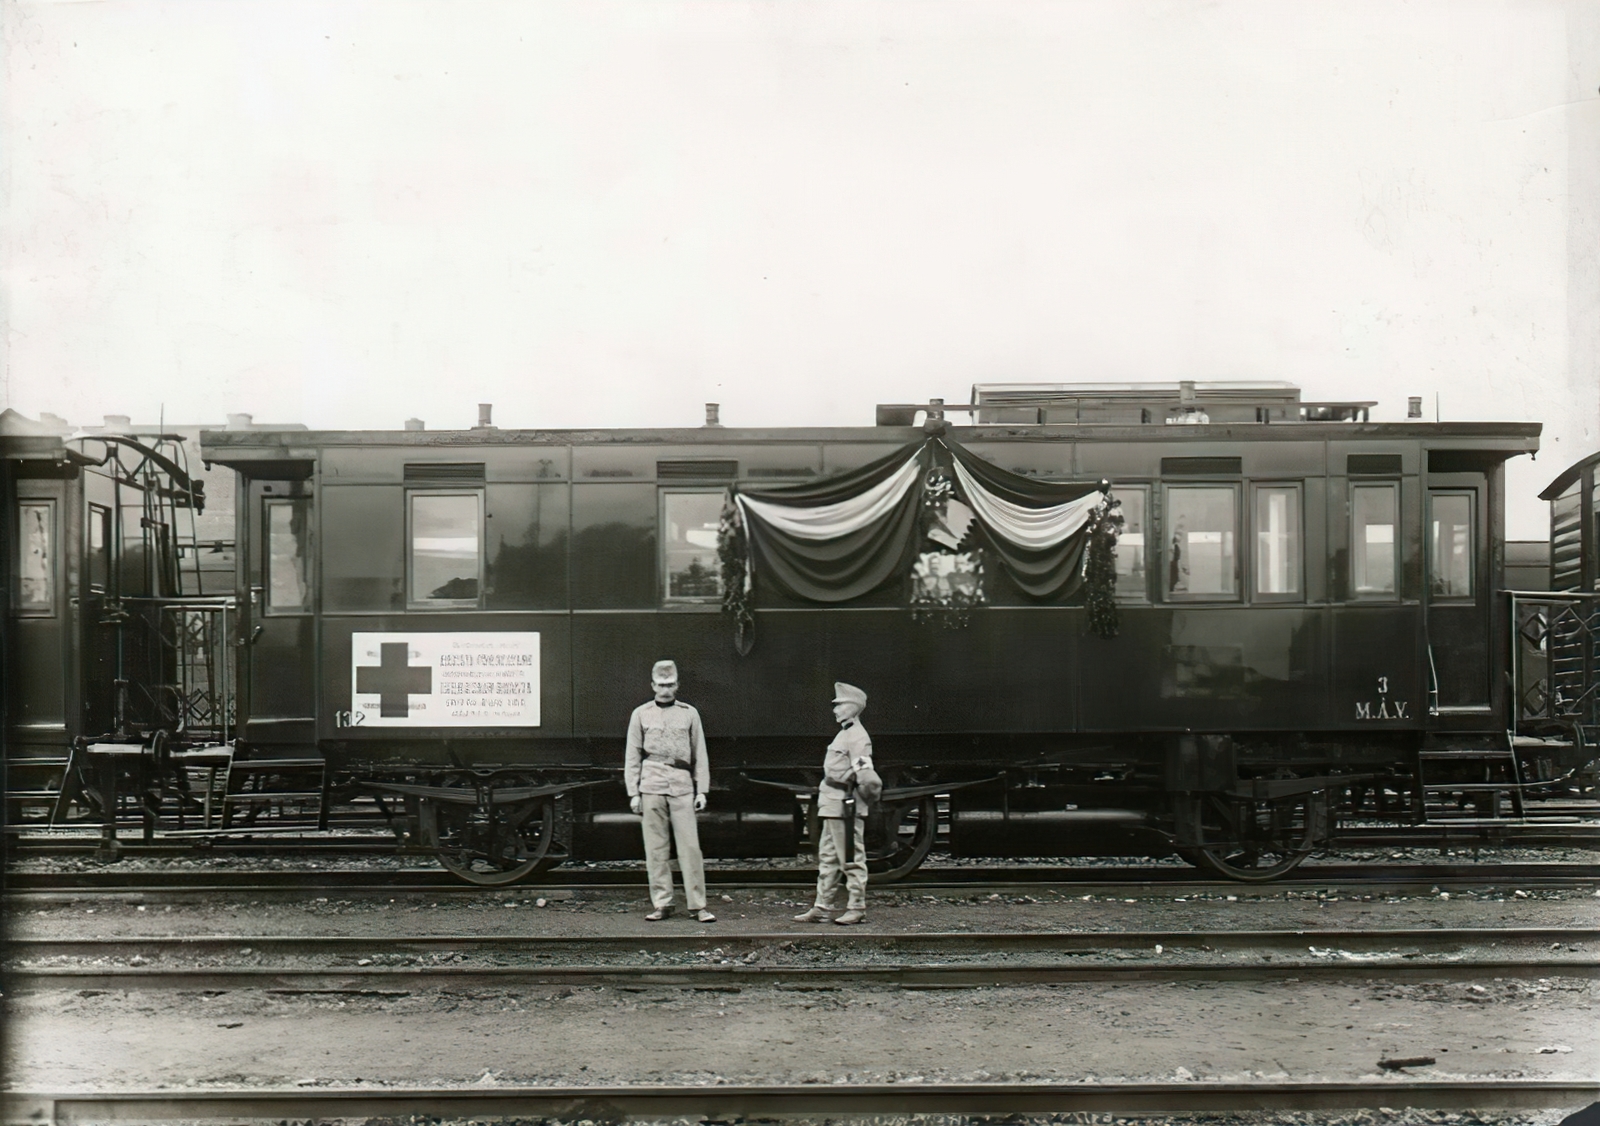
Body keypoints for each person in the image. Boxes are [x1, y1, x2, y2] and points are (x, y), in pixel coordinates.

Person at [624, 659, 714, 923]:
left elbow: (701, 753)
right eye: (661, 684)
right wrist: (633, 792)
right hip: (651, 783)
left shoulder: (689, 713)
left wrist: (702, 790)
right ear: (653, 685)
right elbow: (632, 755)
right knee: (655, 849)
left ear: (677, 685)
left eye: (670, 684)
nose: (666, 689)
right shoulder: (640, 714)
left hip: (681, 785)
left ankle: (698, 906)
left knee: (690, 848)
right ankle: (662, 903)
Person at [793, 681, 873, 926]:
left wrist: (862, 795)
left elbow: (865, 772)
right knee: (828, 857)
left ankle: (856, 907)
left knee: (850, 856)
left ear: (854, 707)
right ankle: (822, 906)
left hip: (844, 805)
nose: (835, 709)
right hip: (832, 803)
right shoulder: (846, 733)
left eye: (840, 705)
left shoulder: (858, 738)